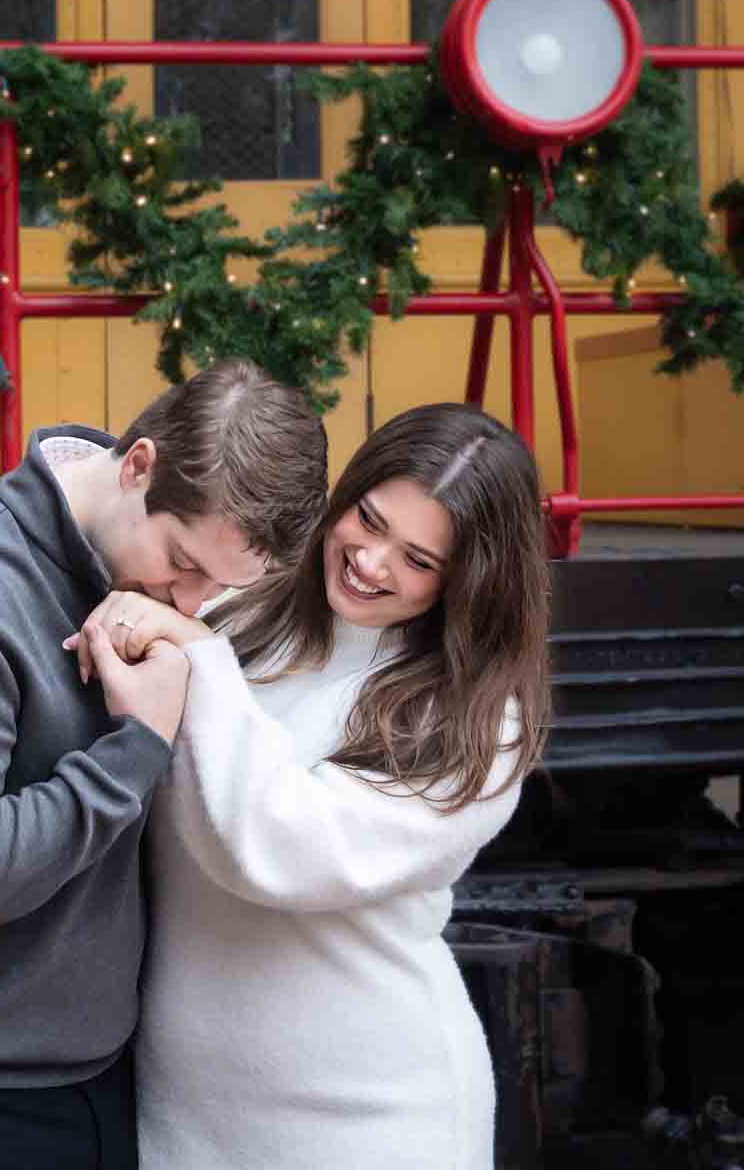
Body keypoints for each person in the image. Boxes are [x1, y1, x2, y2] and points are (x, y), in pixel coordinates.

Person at [0, 357, 327, 1170]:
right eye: (183, 564)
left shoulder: (144, 582)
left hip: (82, 1081)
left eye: (217, 588)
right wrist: (134, 750)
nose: (188, 604)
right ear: (138, 464)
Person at [74, 401, 551, 1170]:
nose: (371, 562)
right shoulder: (243, 615)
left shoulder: (479, 723)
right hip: (187, 1112)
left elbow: (280, 851)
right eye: (368, 519)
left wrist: (201, 661)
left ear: (470, 580)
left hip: (373, 1121)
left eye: (419, 561)